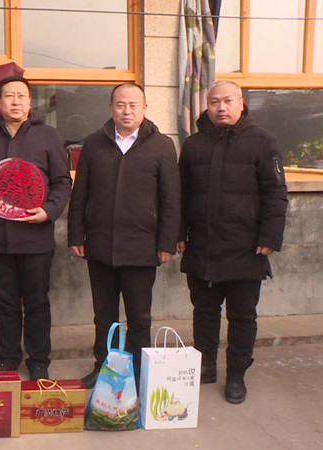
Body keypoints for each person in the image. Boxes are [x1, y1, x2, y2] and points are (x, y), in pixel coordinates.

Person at [177, 80, 287, 404]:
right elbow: (181, 195)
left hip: (246, 248)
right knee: (204, 311)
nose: (221, 107)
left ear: (241, 103)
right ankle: (206, 365)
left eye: (227, 101)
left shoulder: (263, 142)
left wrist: (270, 237)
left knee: (242, 316)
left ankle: (237, 374)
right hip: (202, 246)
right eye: (214, 101)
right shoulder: (194, 145)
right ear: (207, 105)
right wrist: (178, 234)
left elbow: (276, 194)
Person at [67, 83, 181, 388]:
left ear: (144, 108)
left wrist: (167, 243)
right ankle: (103, 366)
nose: (127, 111)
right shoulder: (94, 144)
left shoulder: (161, 145)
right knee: (104, 316)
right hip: (100, 244)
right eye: (120, 105)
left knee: (139, 316)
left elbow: (171, 199)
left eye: (133, 105)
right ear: (110, 108)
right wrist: (76, 235)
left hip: (142, 247)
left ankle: (136, 371)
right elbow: (80, 193)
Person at [0, 76, 72, 380]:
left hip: (35, 236)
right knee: (4, 302)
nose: (15, 101)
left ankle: (39, 360)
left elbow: (62, 182)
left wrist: (48, 212)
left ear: (30, 101)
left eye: (21, 96)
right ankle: (7, 358)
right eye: (9, 96)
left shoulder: (49, 135)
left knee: (37, 302)